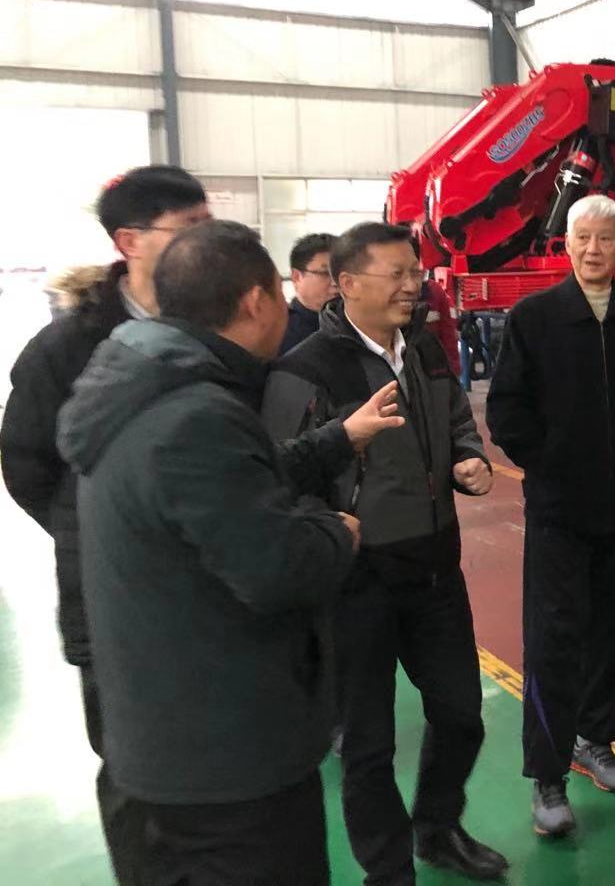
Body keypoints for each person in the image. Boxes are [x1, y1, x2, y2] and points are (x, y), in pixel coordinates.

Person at [54, 220, 403, 886]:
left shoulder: (137, 383)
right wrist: (335, 529)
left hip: (159, 741)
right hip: (227, 765)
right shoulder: (197, 414)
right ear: (256, 301)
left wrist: (336, 439)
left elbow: (230, 482)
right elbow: (279, 569)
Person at [262, 221, 506, 885]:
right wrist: (326, 526)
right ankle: (387, 868)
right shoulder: (306, 369)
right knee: (368, 744)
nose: (412, 285)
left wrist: (469, 458)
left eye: (414, 272)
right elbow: (278, 473)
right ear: (347, 283)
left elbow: (456, 419)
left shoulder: (423, 348)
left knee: (461, 714)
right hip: (355, 581)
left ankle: (438, 828)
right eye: (396, 274)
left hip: (434, 567)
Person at [0, 164, 210, 884]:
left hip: (213, 587)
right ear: (130, 241)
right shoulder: (69, 348)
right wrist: (102, 539)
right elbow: (28, 465)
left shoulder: (217, 330)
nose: (207, 242)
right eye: (189, 229)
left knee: (214, 760)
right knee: (133, 770)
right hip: (115, 599)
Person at [486, 194, 615, 838]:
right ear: (566, 245)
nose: (594, 249)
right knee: (553, 637)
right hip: (560, 512)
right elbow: (507, 411)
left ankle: (595, 739)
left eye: (606, 239)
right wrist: (552, 465)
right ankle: (548, 773)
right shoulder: (535, 318)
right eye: (583, 238)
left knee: (611, 627)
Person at [280, 232, 338, 355]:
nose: (336, 283)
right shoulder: (279, 331)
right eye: (325, 273)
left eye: (340, 274)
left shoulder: (358, 325)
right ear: (296, 277)